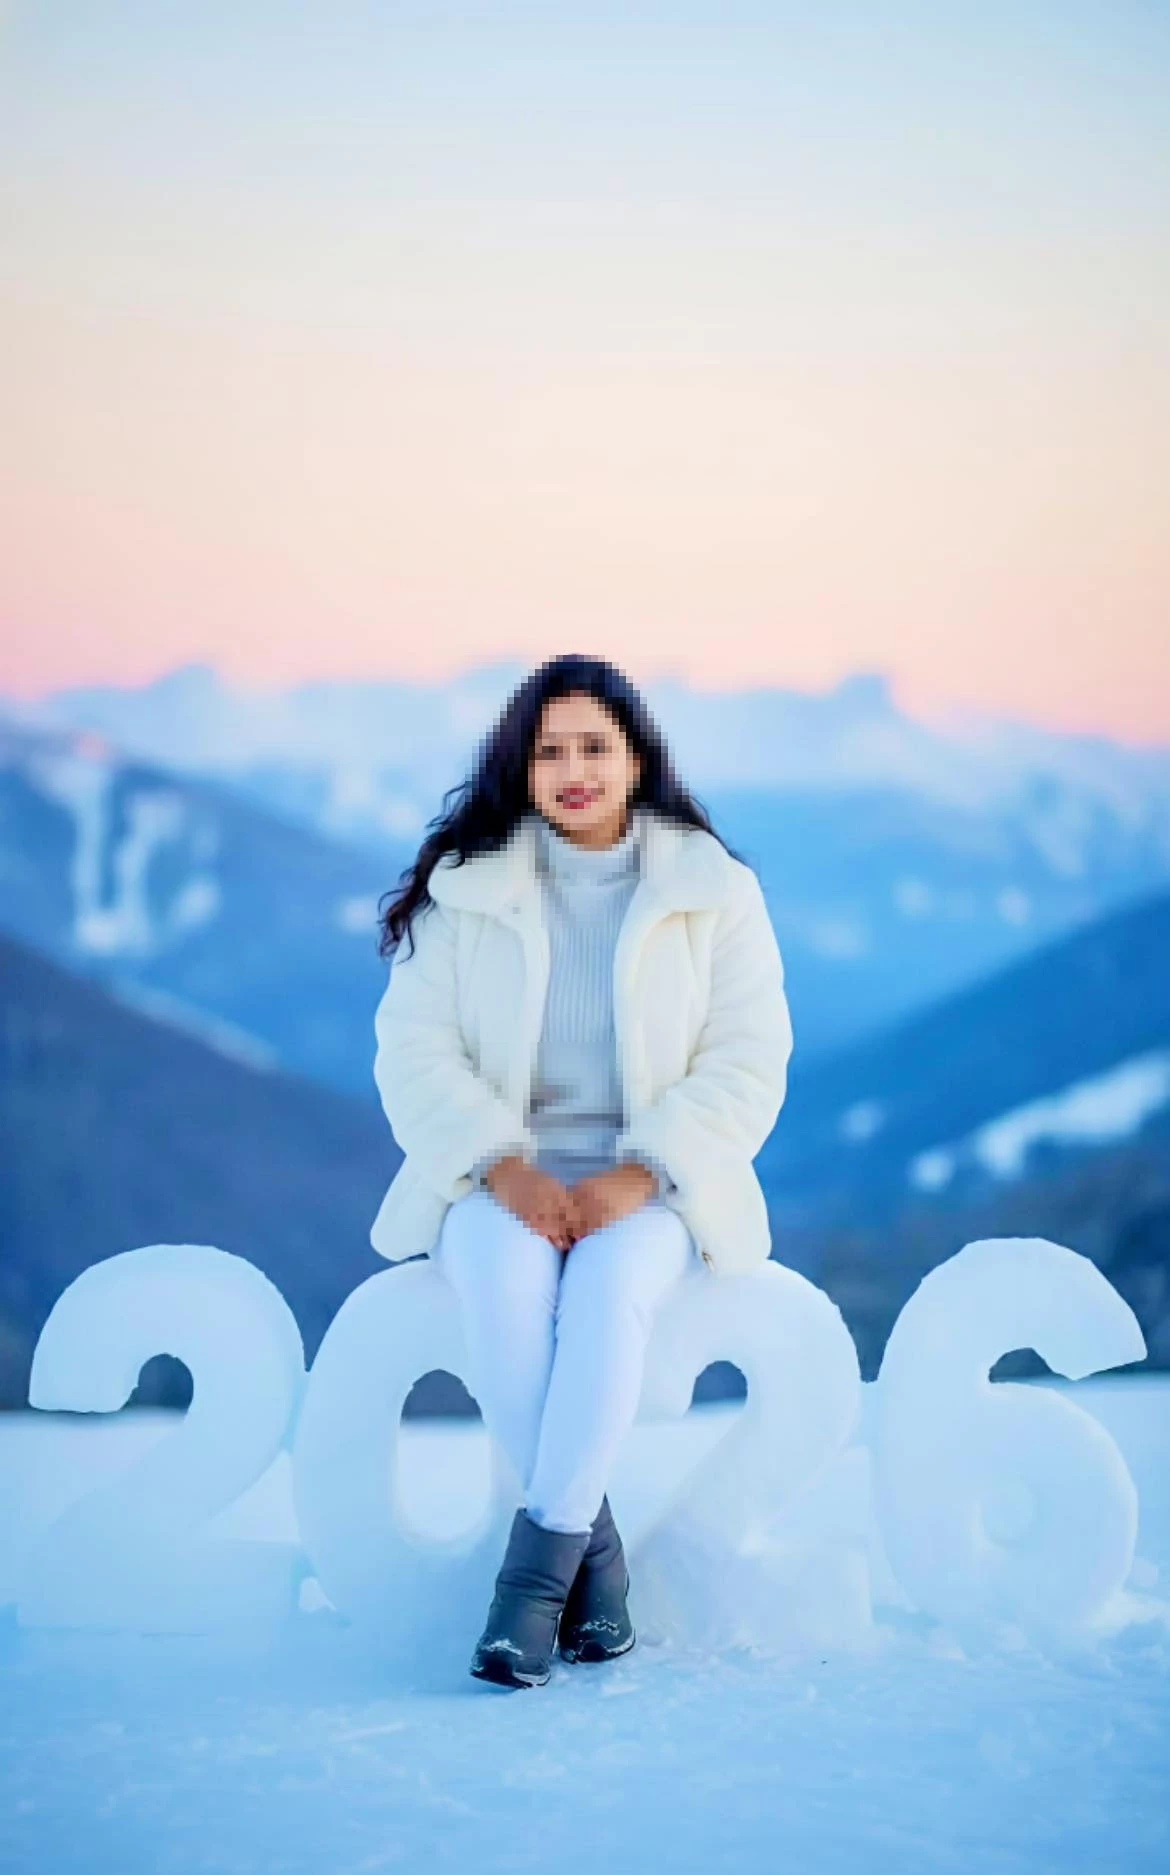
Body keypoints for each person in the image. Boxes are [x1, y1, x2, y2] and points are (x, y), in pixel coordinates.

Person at [372, 653, 794, 1689]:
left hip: (655, 1180)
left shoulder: (713, 890)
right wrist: (499, 1165)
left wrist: (642, 1173)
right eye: (550, 749)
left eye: (594, 747)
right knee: (505, 1295)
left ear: (637, 758)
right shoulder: (464, 890)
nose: (573, 769)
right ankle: (588, 1566)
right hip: (497, 1175)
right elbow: (413, 1052)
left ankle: (528, 1595)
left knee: (606, 1295)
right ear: (520, 766)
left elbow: (748, 1058)